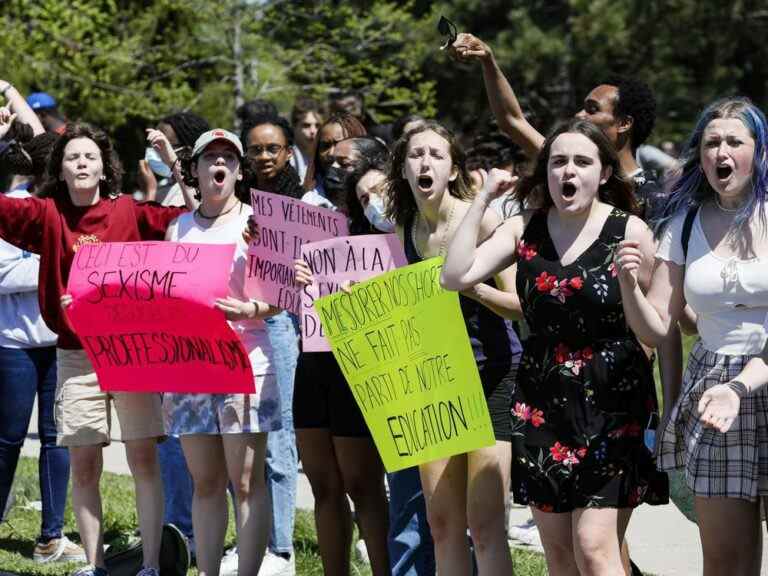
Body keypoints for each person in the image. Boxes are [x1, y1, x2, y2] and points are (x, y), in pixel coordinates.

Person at [441, 118, 669, 576]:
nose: (569, 172)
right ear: (545, 172)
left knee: (593, 547)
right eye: (558, 162)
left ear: (603, 173)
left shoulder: (632, 231)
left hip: (613, 400)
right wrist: (482, 198)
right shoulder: (523, 227)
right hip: (543, 401)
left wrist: (630, 286)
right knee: (560, 556)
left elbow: (659, 330)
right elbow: (455, 275)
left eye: (582, 162)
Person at [0, 118, 196, 576]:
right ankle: (96, 566)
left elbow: (194, 221)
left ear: (104, 167)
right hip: (74, 355)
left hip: (132, 352)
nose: (82, 163)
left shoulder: (130, 210)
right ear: (61, 169)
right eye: (72, 157)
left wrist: (174, 166)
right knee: (84, 464)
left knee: (143, 459)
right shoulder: (44, 214)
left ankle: (150, 565)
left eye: (89, 156)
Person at [615, 97, 768, 576]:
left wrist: (741, 386)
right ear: (700, 156)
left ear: (759, 152)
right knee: (725, 561)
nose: (722, 152)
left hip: (754, 376)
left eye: (734, 142)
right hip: (713, 388)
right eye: (711, 143)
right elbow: (659, 326)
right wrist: (628, 283)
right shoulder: (682, 226)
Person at [386, 121, 522, 576]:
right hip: (434, 382)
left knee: (484, 527)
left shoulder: (479, 218)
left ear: (453, 168)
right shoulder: (402, 228)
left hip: (491, 375)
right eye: (415, 154)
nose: (425, 162)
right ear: (403, 169)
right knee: (442, 524)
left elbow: (521, 306)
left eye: (436, 155)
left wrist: (469, 286)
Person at [163, 129, 282, 576]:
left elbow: (283, 294)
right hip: (190, 365)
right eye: (210, 157)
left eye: (228, 158)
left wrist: (252, 307)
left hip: (246, 362)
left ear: (237, 171)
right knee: (206, 481)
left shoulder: (256, 222)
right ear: (194, 171)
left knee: (246, 481)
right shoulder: (178, 226)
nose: (219, 164)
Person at [293, 134, 391, 576]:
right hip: (314, 362)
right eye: (330, 161)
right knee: (322, 483)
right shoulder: (317, 222)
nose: (336, 169)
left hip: (361, 367)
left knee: (362, 484)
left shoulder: (391, 230)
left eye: (346, 163)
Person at [0, 106, 85, 564]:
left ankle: (51, 536)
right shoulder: (13, 207)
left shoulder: (71, 213)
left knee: (58, 439)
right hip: (12, 343)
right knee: (7, 439)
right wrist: (57, 265)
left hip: (59, 344)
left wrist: (50, 264)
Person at [233, 113, 303, 576]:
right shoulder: (234, 202)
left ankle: (281, 549)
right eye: (255, 149)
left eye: (272, 149)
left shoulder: (304, 204)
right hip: (237, 324)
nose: (263, 157)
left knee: (279, 441)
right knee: (243, 444)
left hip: (282, 323)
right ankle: (251, 541)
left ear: (288, 150)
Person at [137, 112, 210, 207]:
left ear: (187, 152)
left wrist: (150, 192)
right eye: (152, 144)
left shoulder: (196, 193)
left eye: (161, 144)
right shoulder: (163, 185)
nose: (152, 150)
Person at [302, 113, 366, 210]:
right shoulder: (309, 200)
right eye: (325, 146)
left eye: (339, 144)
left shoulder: (374, 194)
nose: (331, 153)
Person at [290, 97, 323, 184]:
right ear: (294, 126)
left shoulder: (325, 157)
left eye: (318, 125)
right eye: (306, 125)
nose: (313, 131)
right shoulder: (288, 160)